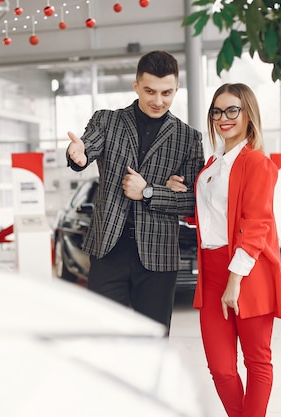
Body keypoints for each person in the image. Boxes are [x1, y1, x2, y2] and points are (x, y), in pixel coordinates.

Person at [65, 50, 204, 331]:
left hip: (158, 255)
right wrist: (77, 155)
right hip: (108, 250)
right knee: (104, 337)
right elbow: (86, 149)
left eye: (167, 92)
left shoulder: (188, 138)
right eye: (150, 90)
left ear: (177, 89)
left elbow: (193, 203)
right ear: (136, 86)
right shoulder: (107, 121)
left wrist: (149, 192)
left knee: (153, 343)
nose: (158, 100)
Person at [169, 83, 281, 416]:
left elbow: (256, 223)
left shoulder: (257, 163)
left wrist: (235, 278)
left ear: (248, 114)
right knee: (221, 368)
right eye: (217, 111)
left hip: (247, 272)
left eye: (232, 110)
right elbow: (214, 215)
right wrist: (184, 193)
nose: (224, 118)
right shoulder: (212, 165)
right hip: (211, 270)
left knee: (257, 360)